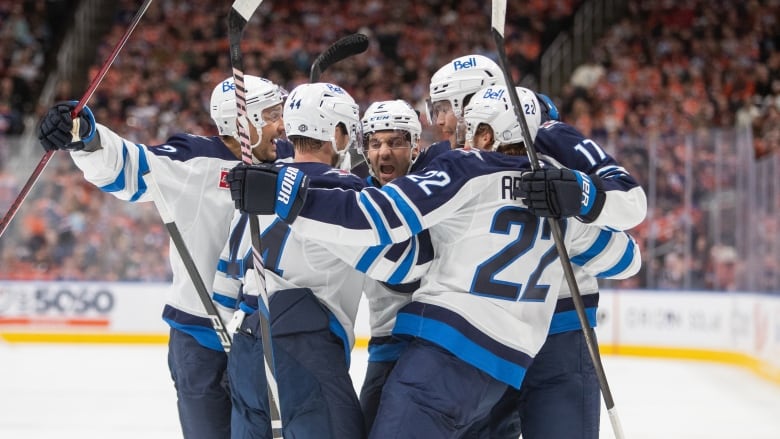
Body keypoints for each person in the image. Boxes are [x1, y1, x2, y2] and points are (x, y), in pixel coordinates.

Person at [225, 87, 642, 437]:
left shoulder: (465, 170)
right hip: (506, 372)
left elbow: (381, 223)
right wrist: (581, 199)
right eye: (375, 141)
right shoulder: (559, 201)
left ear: (484, 134)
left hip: (440, 354)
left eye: (467, 127)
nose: (456, 135)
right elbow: (627, 257)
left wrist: (292, 198)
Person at [37, 75, 290, 439]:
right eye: (270, 115)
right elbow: (127, 166)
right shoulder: (193, 159)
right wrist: (85, 135)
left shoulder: (289, 163)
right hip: (200, 336)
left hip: (265, 338)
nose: (280, 126)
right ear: (240, 121)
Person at [462, 83, 646, 438]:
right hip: (486, 332)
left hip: (556, 330)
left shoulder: (548, 133)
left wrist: (577, 194)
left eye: (445, 107)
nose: (440, 119)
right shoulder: (456, 161)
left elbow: (631, 210)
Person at [213, 82, 369, 439]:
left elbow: (228, 278)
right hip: (304, 346)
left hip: (246, 340)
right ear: (337, 133)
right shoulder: (352, 192)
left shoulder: (258, 183)